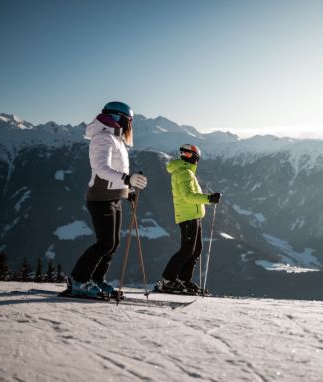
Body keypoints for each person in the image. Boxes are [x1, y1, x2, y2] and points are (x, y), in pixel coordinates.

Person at [69, 101, 148, 298]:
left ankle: (96, 278)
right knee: (104, 243)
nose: (130, 126)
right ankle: (78, 280)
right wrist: (127, 180)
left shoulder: (116, 139)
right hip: (100, 197)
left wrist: (126, 189)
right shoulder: (103, 139)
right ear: (119, 118)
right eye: (129, 121)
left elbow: (118, 170)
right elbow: (102, 169)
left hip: (114, 196)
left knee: (113, 243)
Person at [156, 144, 221, 294]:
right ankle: (167, 279)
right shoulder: (184, 173)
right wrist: (209, 198)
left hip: (193, 215)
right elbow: (188, 196)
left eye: (187, 154)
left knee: (196, 249)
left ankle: (183, 280)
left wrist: (208, 199)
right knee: (187, 250)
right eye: (183, 154)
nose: (185, 156)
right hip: (188, 216)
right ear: (196, 159)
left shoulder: (185, 172)